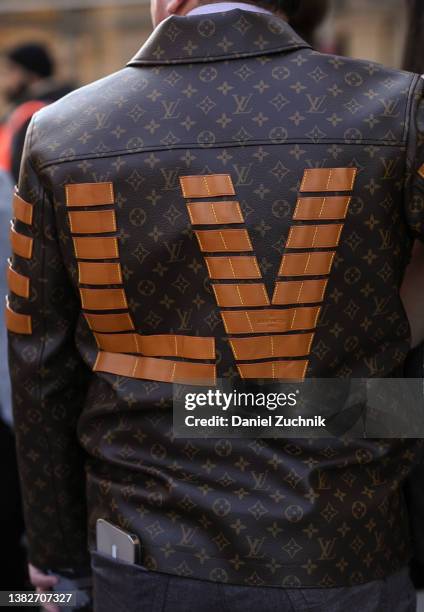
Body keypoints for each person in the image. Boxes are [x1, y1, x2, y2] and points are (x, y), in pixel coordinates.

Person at [6, 1, 424, 610]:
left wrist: (56, 554)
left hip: (140, 549)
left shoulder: (62, 132)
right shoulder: (395, 108)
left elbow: (40, 365)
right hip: (342, 545)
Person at [0, 42, 74, 182]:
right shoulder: (67, 103)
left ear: (29, 73)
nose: (4, 81)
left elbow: (20, 172)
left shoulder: (33, 112)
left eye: (10, 71)